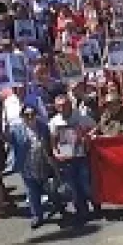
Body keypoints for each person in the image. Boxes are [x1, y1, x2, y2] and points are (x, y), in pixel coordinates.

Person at [48, 95, 97, 223]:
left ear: (70, 104)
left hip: (81, 156)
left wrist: (87, 136)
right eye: (59, 106)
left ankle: (96, 205)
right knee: (73, 187)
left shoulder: (80, 116)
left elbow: (95, 126)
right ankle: (82, 211)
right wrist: (55, 153)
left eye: (64, 105)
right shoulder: (54, 122)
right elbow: (53, 142)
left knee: (86, 185)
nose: (62, 108)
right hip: (65, 160)